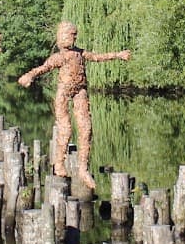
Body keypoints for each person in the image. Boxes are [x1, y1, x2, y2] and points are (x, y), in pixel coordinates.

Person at [17, 21, 130, 190]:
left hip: (80, 91)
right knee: (66, 130)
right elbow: (43, 68)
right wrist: (29, 75)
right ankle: (59, 163)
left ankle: (83, 169)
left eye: (75, 34)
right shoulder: (59, 57)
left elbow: (97, 57)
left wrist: (118, 55)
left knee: (86, 128)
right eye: (72, 34)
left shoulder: (80, 53)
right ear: (63, 36)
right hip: (63, 92)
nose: (75, 37)